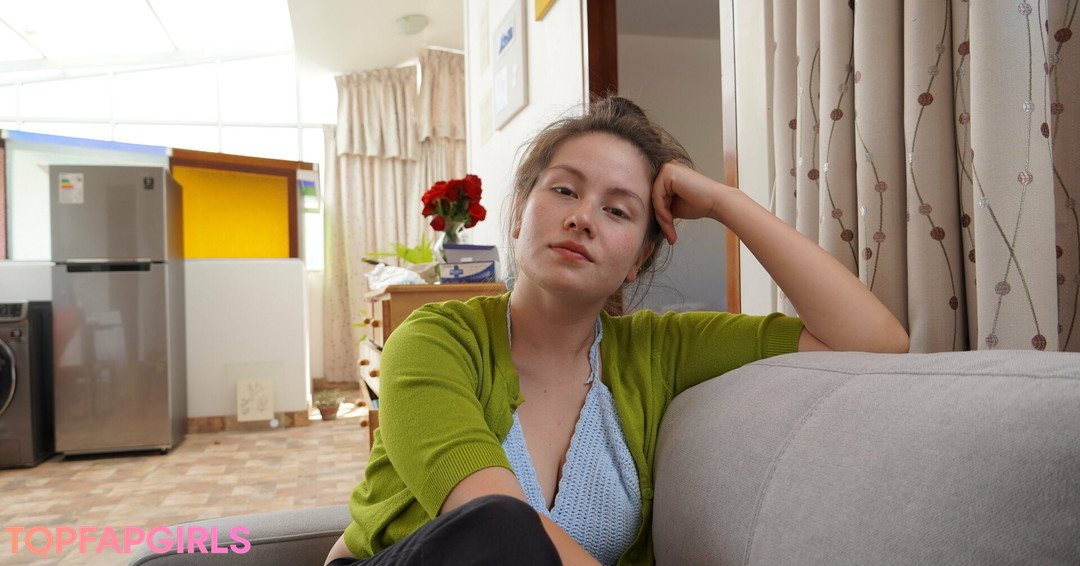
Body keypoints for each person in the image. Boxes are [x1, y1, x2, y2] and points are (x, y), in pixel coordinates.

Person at [325, 96, 909, 566]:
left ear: (638, 259)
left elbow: (877, 341)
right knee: (502, 525)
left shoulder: (657, 352)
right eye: (564, 190)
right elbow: (492, 524)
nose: (582, 217)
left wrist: (725, 202)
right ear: (520, 212)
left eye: (618, 210)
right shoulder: (435, 339)